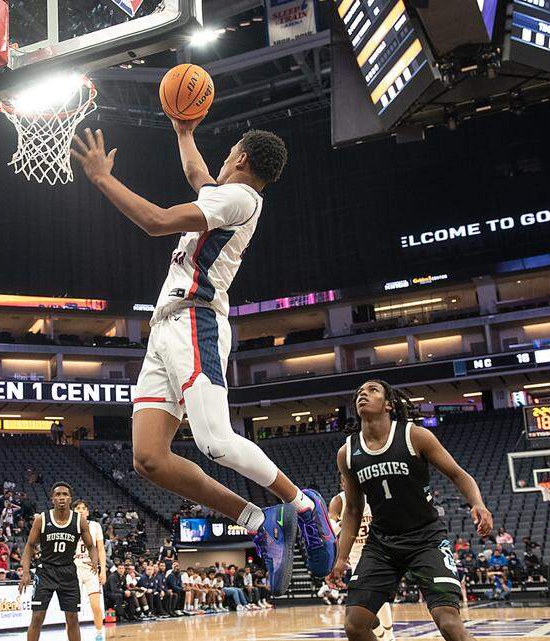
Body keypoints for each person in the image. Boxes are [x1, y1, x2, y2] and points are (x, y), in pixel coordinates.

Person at [71, 121, 334, 595]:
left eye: (230, 152)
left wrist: (101, 178)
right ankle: (259, 521)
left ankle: (303, 505)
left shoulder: (239, 199)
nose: (222, 159)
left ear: (242, 160)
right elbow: (196, 173)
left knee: (216, 441)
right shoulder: (224, 196)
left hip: (196, 321)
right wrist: (182, 128)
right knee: (149, 459)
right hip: (165, 327)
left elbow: (155, 222)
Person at [328, 380, 493, 641]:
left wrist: (478, 503)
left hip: (426, 539)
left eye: (372, 391)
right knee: (355, 625)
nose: (363, 394)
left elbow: (458, 475)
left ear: (388, 404)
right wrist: (341, 558)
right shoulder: (347, 452)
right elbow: (353, 510)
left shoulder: (414, 435)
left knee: (448, 622)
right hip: (382, 543)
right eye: (359, 392)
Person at [18, 483, 96, 641]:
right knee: (38, 616)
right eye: (58, 494)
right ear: (52, 498)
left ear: (70, 498)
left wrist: (94, 560)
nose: (61, 498)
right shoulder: (42, 519)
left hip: (68, 572)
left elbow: (90, 546)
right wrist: (26, 572)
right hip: (45, 571)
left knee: (72, 619)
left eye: (65, 494)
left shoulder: (79, 520)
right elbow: (29, 546)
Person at [329, 479, 393, 641]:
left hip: (377, 554)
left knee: (377, 601)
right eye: (343, 479)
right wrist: (346, 522)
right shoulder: (338, 501)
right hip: (355, 559)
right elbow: (330, 530)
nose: (347, 481)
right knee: (362, 607)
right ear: (341, 483)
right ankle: (385, 636)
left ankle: (388, 635)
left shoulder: (373, 496)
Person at [71, 500, 107, 641]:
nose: (81, 510)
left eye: (83, 508)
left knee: (96, 606)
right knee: (71, 609)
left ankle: (99, 634)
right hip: (74, 570)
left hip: (91, 570)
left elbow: (101, 549)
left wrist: (102, 570)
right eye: (78, 508)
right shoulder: (69, 526)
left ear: (87, 511)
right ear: (74, 511)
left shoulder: (95, 526)